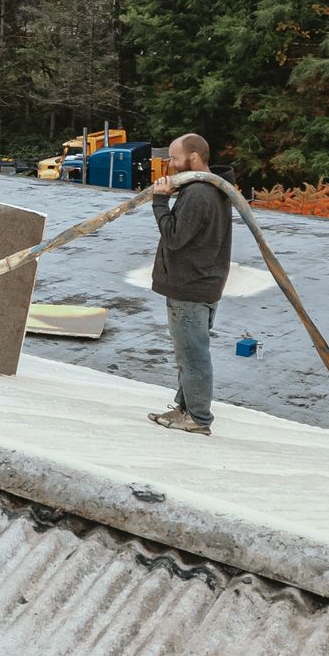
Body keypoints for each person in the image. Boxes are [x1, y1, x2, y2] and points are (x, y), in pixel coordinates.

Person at [145, 133, 234, 435]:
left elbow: (174, 237)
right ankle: (185, 408)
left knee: (192, 355)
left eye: (173, 157)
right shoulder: (215, 187)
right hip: (203, 283)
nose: (169, 164)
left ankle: (197, 418)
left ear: (194, 156)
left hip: (190, 286)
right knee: (190, 351)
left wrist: (160, 202)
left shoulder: (198, 193)